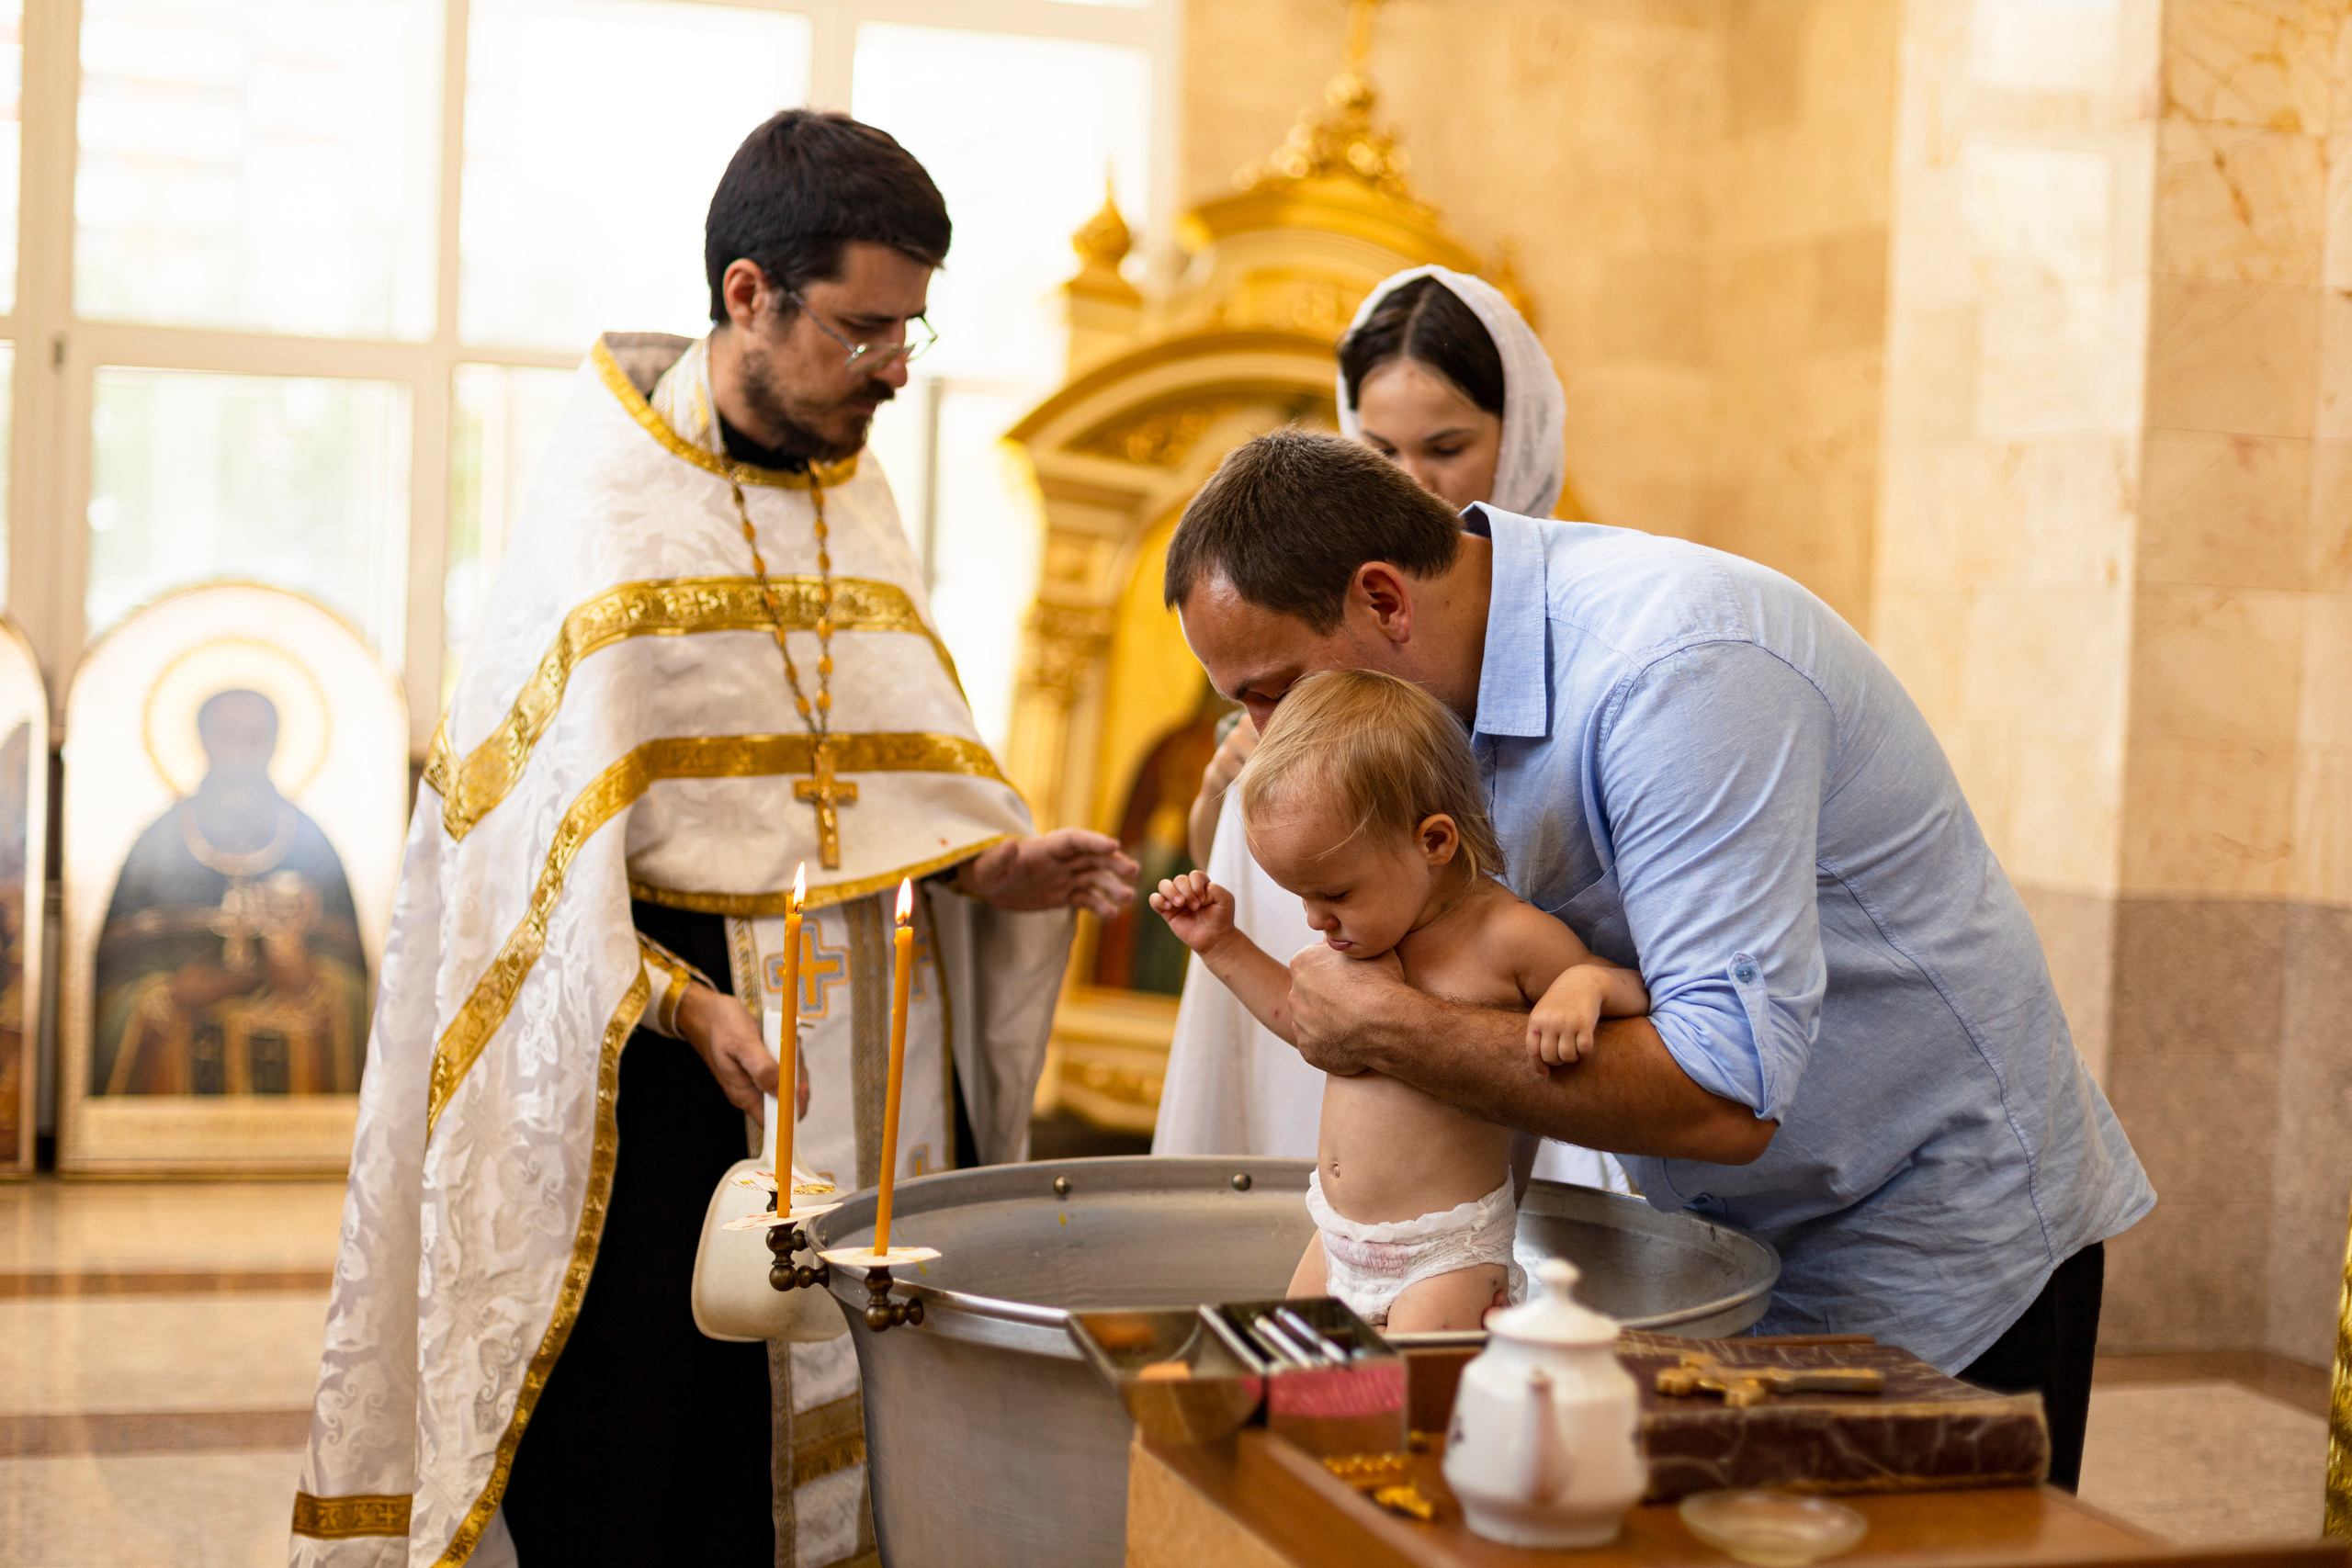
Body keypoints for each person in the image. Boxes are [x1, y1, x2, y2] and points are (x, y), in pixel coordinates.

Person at [290, 111, 1135, 1568]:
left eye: (912, 329)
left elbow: (886, 758)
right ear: (750, 294)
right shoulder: (606, 505)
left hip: (869, 1048)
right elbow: (519, 867)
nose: (896, 367)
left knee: (869, 1383)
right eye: (866, 327)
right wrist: (681, 1002)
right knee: (659, 1433)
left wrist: (986, 861)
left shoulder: (853, 479)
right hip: (666, 1065)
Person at [1159, 427, 2153, 1492]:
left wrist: (1388, 1031)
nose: (1264, 732)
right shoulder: (1418, 728)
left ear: (1383, 600)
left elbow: (1726, 1092)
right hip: (1741, 1251)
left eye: (1272, 691)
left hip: (1936, 1240)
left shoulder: (1678, 672)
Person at [1157, 267, 1629, 1197]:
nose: (1413, 480)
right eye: (1379, 448)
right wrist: (1228, 794)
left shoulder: (1564, 636)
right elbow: (1258, 894)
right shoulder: (1307, 660)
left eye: (1445, 447)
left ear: (1519, 436)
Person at [1151, 671, 1648, 1330]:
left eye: (1334, 893)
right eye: (1302, 897)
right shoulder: (1362, 938)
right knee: (1296, 1373)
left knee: (1409, 1392)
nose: (1315, 920)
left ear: (1434, 842)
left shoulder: (1505, 936)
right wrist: (1221, 945)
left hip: (1444, 1257)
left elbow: (1632, 986)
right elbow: (1304, 1024)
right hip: (1334, 1239)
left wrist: (1585, 986)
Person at [93, 690, 368, 1098]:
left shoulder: (312, 844)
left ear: (274, 744)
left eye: (254, 738)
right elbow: (111, 985)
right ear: (203, 740)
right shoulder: (158, 845)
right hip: (175, 1086)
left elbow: (355, 987)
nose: (240, 753)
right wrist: (173, 995)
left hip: (297, 1091)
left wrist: (304, 976)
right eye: (227, 736)